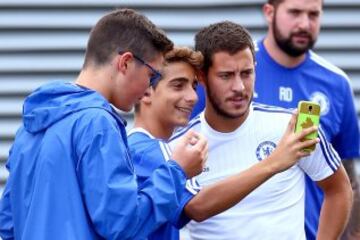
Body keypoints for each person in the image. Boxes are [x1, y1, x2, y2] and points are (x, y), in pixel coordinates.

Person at [0, 9, 209, 240]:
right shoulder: (97, 123)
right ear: (126, 63)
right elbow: (121, 224)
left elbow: (8, 224)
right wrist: (177, 171)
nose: (148, 88)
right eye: (152, 76)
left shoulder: (30, 127)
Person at [170, 21, 353, 240]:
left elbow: (339, 189)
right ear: (201, 77)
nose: (239, 87)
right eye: (226, 76)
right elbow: (195, 209)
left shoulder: (289, 127)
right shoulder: (179, 146)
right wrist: (274, 162)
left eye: (246, 73)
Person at [129, 46, 326, 240]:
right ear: (146, 92)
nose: (192, 97)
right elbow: (197, 207)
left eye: (194, 86)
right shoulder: (149, 150)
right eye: (178, 85)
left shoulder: (149, 146)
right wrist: (274, 162)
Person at [254, 0, 360, 239]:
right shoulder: (236, 71)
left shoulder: (336, 83)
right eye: (294, 12)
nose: (304, 23)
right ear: (269, 13)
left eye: (314, 14)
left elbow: (348, 181)